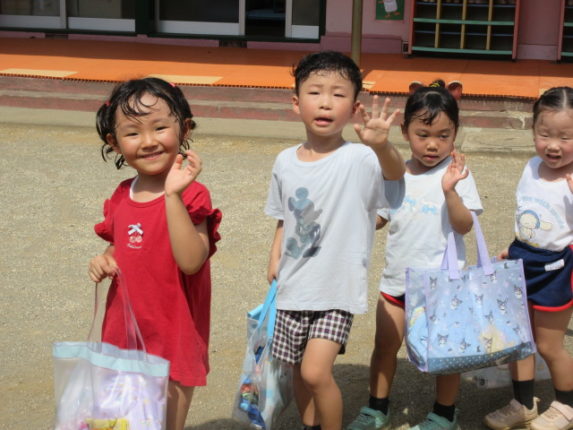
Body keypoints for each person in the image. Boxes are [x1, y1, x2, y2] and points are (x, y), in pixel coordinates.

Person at [265, 50, 406, 430]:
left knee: (315, 372)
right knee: (296, 369)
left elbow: (395, 174)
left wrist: (382, 145)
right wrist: (274, 256)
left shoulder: (361, 157)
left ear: (355, 107)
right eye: (315, 92)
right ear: (296, 103)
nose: (325, 102)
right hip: (293, 286)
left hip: (336, 289)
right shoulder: (284, 161)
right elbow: (284, 217)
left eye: (338, 94)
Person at [347, 80, 483, 430]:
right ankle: (376, 408)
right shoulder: (396, 174)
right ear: (405, 132)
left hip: (443, 285)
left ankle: (444, 414)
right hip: (397, 282)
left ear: (455, 134)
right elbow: (380, 218)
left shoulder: (457, 174)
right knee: (384, 346)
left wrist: (450, 192)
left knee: (447, 354)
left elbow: (464, 225)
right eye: (423, 135)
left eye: (443, 135)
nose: (433, 144)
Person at [87, 77, 222, 430]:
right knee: (125, 423)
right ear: (114, 143)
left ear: (184, 128)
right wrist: (106, 258)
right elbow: (122, 244)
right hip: (125, 332)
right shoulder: (122, 194)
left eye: (160, 127)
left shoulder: (192, 195)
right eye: (133, 133)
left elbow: (191, 261)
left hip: (174, 334)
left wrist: (173, 195)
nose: (148, 141)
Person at [483, 87, 573, 430]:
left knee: (550, 345)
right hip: (523, 261)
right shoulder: (532, 167)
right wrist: (515, 246)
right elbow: (530, 214)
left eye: (565, 137)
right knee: (519, 340)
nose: (553, 145)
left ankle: (566, 406)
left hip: (557, 269)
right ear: (533, 129)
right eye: (545, 134)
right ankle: (523, 403)